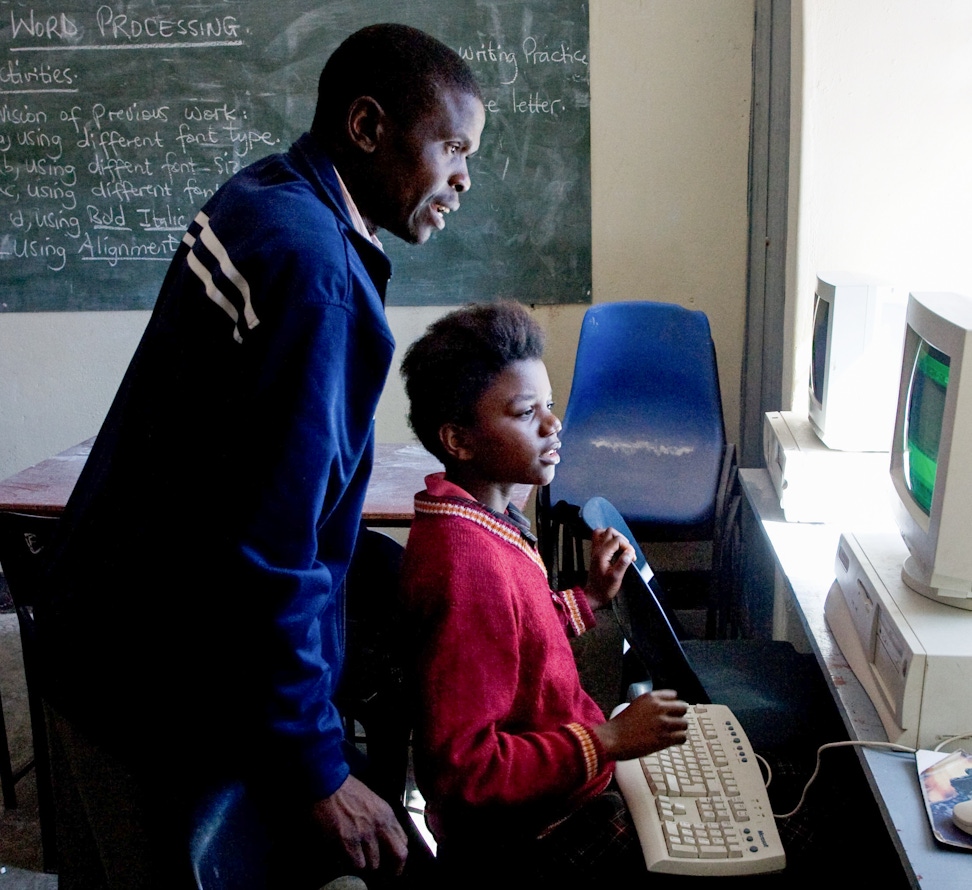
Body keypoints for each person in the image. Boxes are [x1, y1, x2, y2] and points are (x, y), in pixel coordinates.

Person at [35, 23, 485, 890]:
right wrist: (318, 770)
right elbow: (272, 551)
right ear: (367, 128)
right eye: (453, 148)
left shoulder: (270, 195)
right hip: (144, 670)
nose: (464, 177)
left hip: (102, 625)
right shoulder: (314, 275)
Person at [398, 302, 690, 886]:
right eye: (526, 412)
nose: (553, 426)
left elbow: (517, 637)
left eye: (549, 405)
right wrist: (609, 738)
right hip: (530, 843)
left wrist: (588, 598)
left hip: (556, 801)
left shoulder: (484, 517)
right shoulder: (467, 567)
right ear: (458, 439)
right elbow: (467, 772)